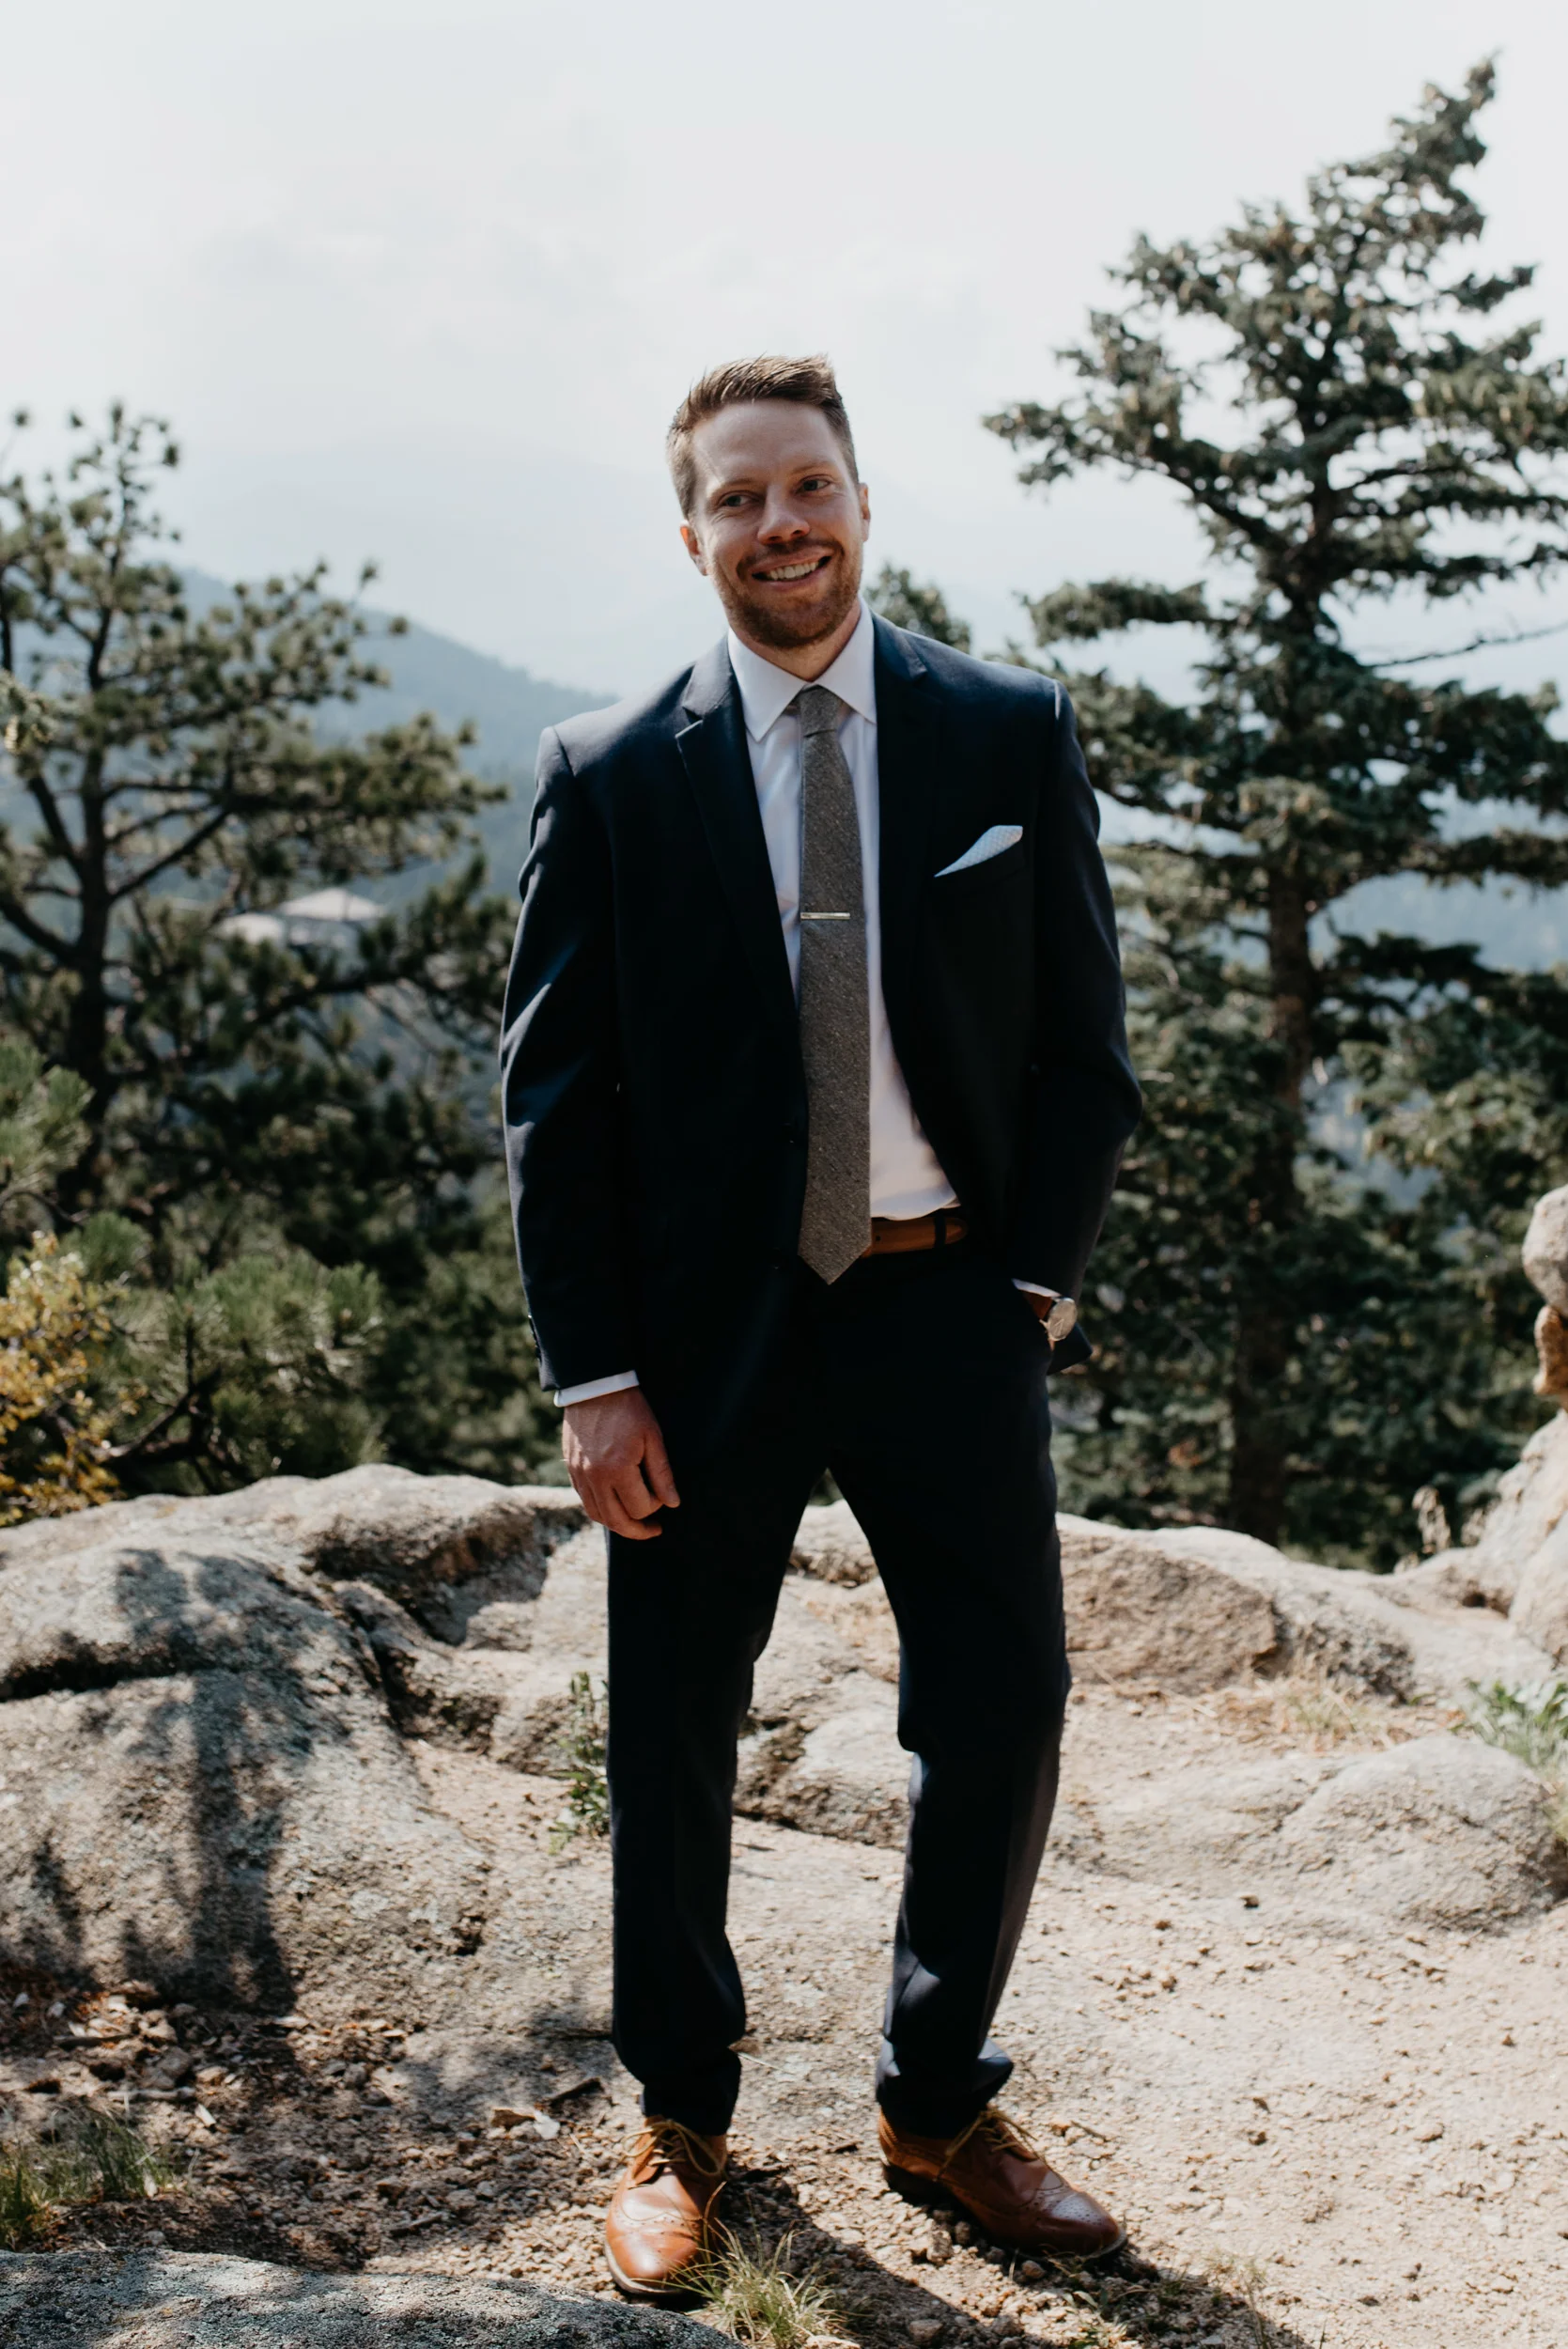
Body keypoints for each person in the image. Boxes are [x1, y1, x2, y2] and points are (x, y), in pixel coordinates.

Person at [500, 354, 1141, 2298]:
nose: (780, 526)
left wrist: (1031, 1278)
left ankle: (936, 2100)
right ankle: (681, 2111)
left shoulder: (1003, 727)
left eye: (809, 488)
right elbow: (554, 1093)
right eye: (738, 499)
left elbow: (1083, 1046)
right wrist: (596, 1377)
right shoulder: (610, 769)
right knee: (677, 1722)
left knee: (1003, 1706)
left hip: (953, 1296)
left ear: (865, 495)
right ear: (687, 528)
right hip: (708, 1334)